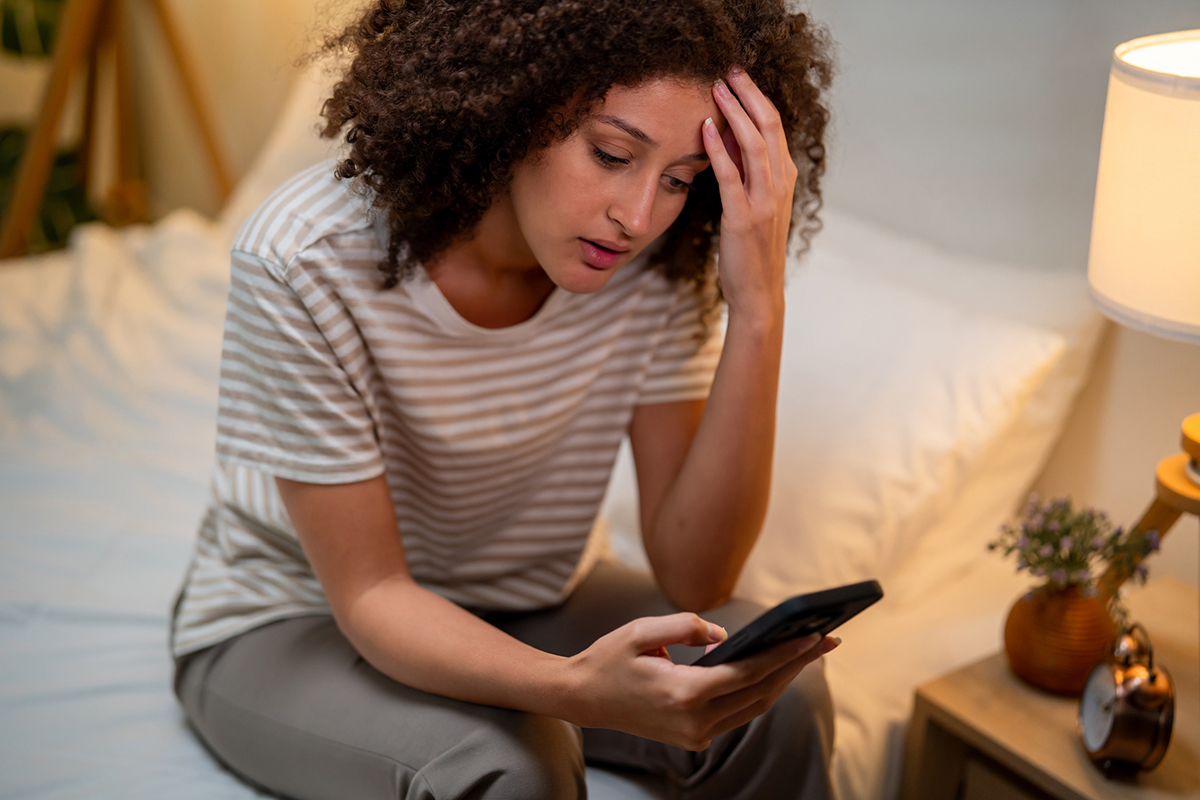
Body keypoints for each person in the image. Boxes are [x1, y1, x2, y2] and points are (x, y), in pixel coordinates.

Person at [170, 0, 836, 797]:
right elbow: (373, 593)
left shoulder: (657, 271)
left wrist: (757, 308)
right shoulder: (303, 260)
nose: (637, 217)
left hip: (528, 594)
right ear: (514, 103)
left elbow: (698, 574)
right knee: (515, 767)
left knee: (776, 693)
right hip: (297, 616)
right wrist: (575, 691)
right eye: (611, 153)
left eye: (681, 180)